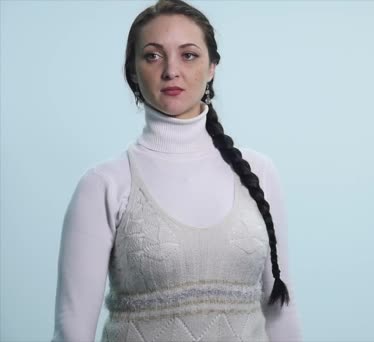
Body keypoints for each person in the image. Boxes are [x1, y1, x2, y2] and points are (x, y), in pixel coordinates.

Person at [51, 0, 302, 341]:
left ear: (212, 66)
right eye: (153, 55)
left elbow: (280, 312)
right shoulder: (104, 184)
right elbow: (72, 328)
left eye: (189, 55)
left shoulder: (258, 172)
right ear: (133, 70)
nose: (171, 70)